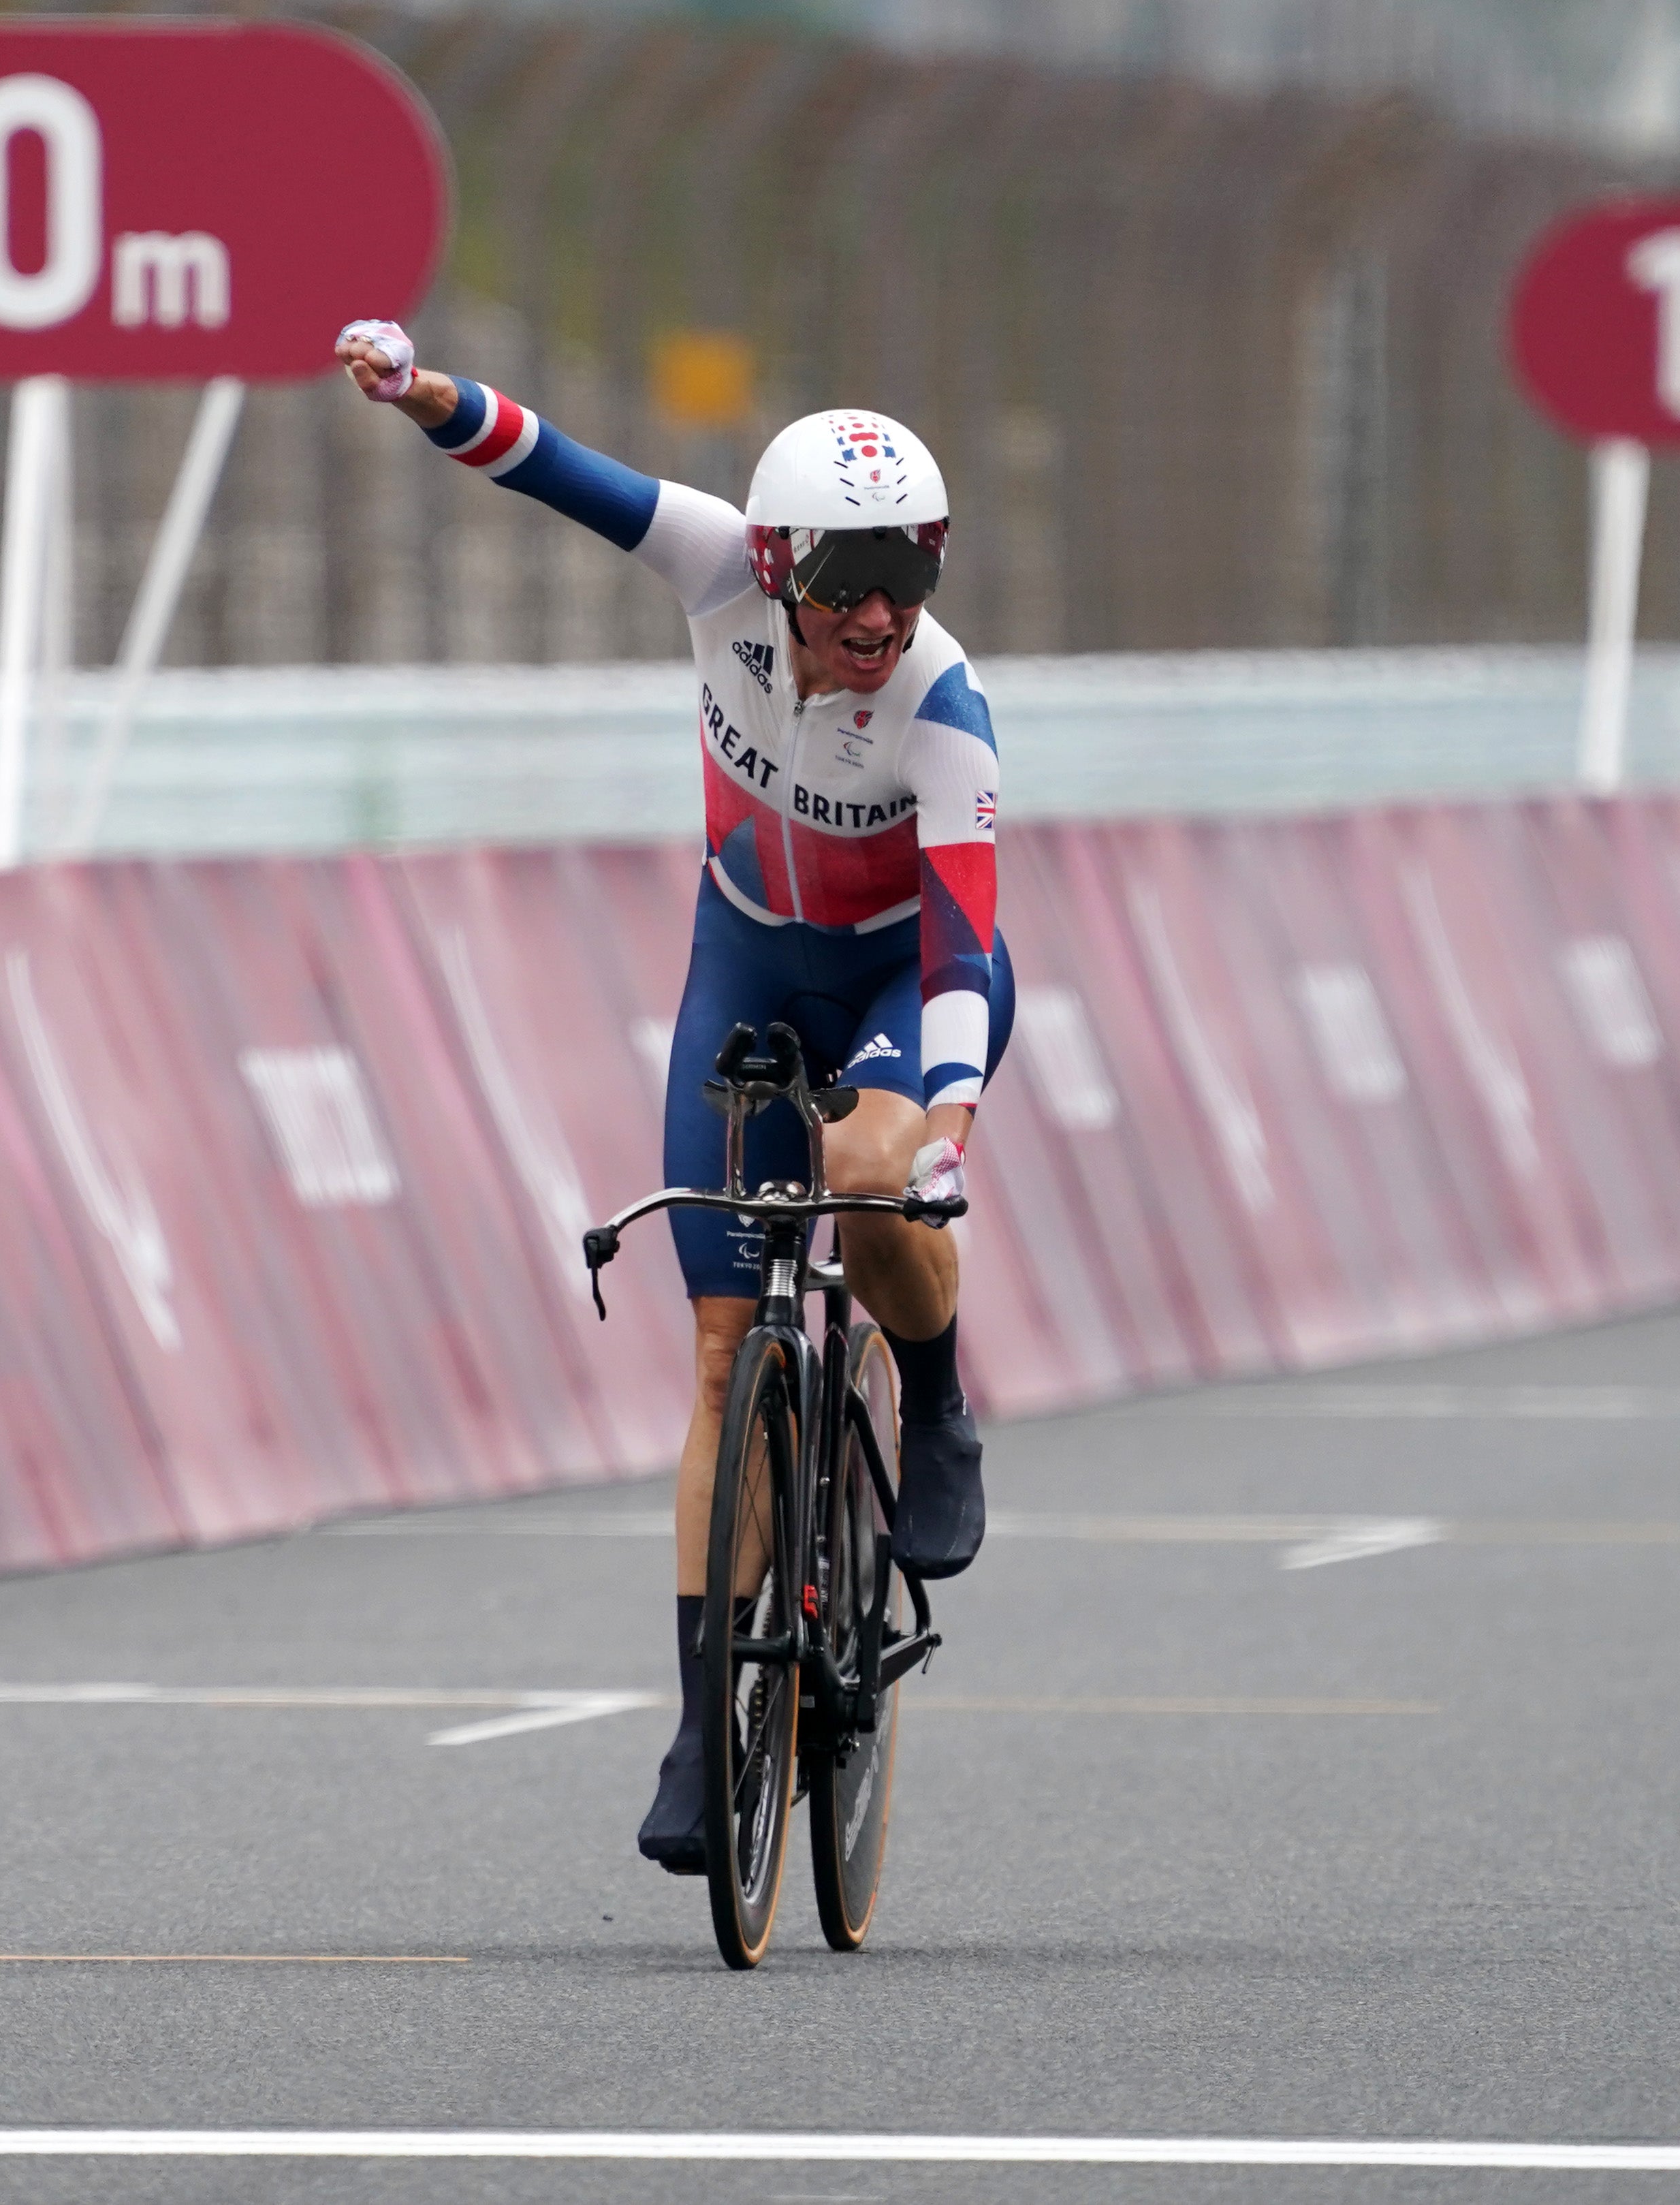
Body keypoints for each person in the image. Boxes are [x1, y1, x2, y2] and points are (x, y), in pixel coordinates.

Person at [336, 320, 1014, 1875]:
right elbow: (557, 469)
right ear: (775, 563)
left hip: (905, 981)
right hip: (747, 968)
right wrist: (431, 394)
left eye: (909, 575)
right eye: (848, 577)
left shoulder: (942, 705)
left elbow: (970, 939)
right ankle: (711, 1718)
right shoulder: (713, 568)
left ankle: (942, 1398)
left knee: (866, 1162)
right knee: (721, 1359)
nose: (877, 612)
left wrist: (953, 1127)